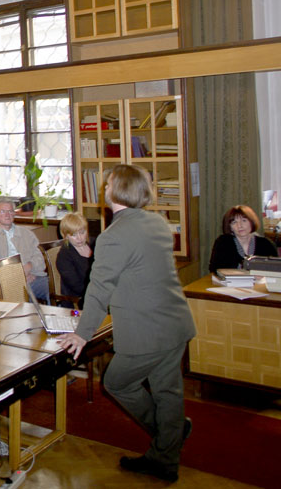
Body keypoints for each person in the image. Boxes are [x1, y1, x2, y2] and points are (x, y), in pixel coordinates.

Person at [58, 165, 196, 483]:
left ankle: (167, 439)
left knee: (118, 383)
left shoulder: (113, 237)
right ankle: (166, 454)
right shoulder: (158, 223)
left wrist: (81, 334)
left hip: (145, 331)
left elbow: (98, 289)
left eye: (108, 183)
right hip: (176, 323)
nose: (104, 187)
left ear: (116, 190)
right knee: (168, 391)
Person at [0, 199, 49, 302]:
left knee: (52, 287)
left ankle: (54, 317)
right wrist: (19, 275)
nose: (7, 215)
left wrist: (30, 267)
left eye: (10, 211)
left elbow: (39, 258)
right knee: (21, 293)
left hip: (32, 277)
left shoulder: (26, 233)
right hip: (6, 282)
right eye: (3, 211)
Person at [208, 204, 279, 271]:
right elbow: (214, 269)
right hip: (230, 283)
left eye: (244, 221)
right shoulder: (223, 243)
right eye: (234, 222)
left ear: (252, 222)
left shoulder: (266, 244)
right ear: (230, 227)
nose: (239, 226)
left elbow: (276, 269)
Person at [55, 212, 94, 304]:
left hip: (98, 292)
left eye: (82, 232)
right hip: (77, 300)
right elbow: (77, 287)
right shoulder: (64, 255)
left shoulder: (95, 244)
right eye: (74, 235)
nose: (79, 238)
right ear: (65, 236)